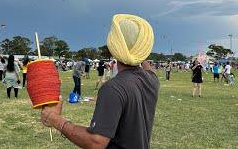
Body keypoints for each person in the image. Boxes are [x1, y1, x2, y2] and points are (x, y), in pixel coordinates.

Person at [40, 14, 159, 149]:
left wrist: (56, 120)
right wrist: (136, 52)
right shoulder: (152, 79)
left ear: (114, 46)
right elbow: (149, 69)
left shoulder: (113, 88)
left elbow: (96, 142)